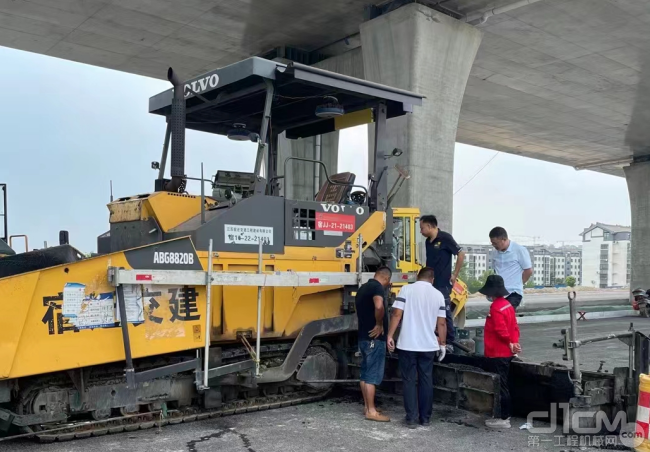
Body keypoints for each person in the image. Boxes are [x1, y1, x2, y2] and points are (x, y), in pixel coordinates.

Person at [387, 267, 447, 429]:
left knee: (409, 381)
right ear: (432, 279)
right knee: (426, 380)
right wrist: (442, 344)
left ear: (417, 277)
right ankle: (425, 418)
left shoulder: (406, 290)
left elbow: (397, 314)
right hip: (428, 346)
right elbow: (441, 323)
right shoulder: (438, 295)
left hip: (407, 344)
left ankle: (411, 418)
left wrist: (390, 335)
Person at [479, 274, 521, 429]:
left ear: (491, 292)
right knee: (504, 383)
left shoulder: (496, 307)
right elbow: (514, 327)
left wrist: (508, 342)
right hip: (507, 352)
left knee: (500, 385)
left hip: (497, 352)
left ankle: (503, 418)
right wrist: (514, 343)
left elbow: (500, 330)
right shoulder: (507, 305)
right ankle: (505, 415)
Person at [419, 215, 465, 346]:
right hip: (430, 283)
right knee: (430, 310)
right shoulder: (428, 242)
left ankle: (450, 340)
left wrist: (455, 274)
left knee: (444, 311)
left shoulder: (445, 238)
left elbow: (461, 254)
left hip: (443, 283)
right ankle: (434, 336)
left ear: (429, 226)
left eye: (422, 228)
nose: (421, 231)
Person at [355, 266, 392, 422]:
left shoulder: (363, 288)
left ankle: (367, 406)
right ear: (386, 279)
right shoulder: (377, 287)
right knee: (371, 376)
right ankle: (371, 411)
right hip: (374, 340)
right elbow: (378, 305)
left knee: (364, 373)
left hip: (363, 337)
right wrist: (379, 323)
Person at [489, 227, 533, 310]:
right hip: (499, 293)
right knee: (496, 315)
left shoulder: (519, 250)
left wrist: (519, 283)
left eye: (495, 243)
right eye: (492, 243)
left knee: (504, 314)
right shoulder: (495, 253)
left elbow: (528, 271)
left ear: (503, 239)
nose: (494, 246)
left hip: (513, 293)